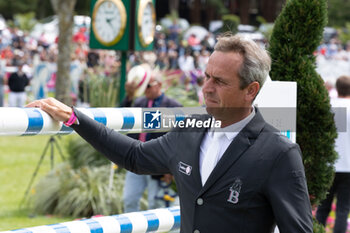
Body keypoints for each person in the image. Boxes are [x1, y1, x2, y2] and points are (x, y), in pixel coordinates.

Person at [27, 34, 313, 233]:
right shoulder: (189, 129)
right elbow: (134, 156)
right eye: (207, 76)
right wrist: (74, 117)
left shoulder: (279, 153)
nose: (207, 88)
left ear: (251, 90)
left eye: (220, 81)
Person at [121, 64, 182, 212]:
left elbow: (179, 139)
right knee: (129, 200)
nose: (145, 89)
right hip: (136, 158)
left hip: (158, 162)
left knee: (155, 205)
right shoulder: (140, 103)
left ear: (159, 85)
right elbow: (121, 117)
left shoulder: (173, 106)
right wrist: (129, 96)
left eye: (148, 85)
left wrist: (171, 167)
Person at [316, 75, 350, 233]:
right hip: (348, 165)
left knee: (322, 209)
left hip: (329, 164)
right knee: (342, 210)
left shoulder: (329, 107)